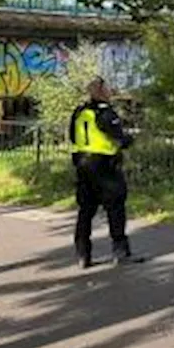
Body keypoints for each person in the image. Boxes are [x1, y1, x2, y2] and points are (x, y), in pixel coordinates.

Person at [70, 76, 136, 268]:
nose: (111, 91)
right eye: (108, 88)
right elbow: (119, 137)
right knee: (115, 208)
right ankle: (120, 250)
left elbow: (72, 135)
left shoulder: (79, 112)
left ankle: (83, 253)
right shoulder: (106, 113)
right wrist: (128, 140)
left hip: (83, 164)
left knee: (86, 211)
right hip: (105, 166)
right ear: (102, 91)